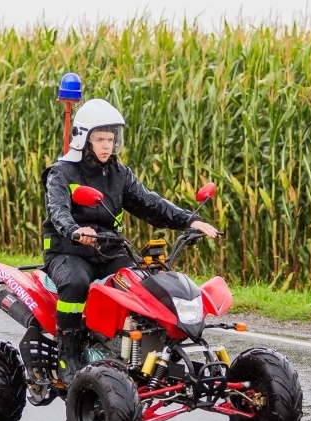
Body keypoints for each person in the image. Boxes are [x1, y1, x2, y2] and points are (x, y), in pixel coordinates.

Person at [40, 98, 218, 385]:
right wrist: (74, 230)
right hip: (68, 252)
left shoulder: (120, 175)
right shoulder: (60, 173)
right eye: (99, 139)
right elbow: (58, 210)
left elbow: (151, 204)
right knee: (75, 284)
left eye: (110, 139)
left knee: (144, 283)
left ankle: (146, 355)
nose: (106, 146)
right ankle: (67, 356)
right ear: (84, 139)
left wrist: (190, 221)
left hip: (109, 251)